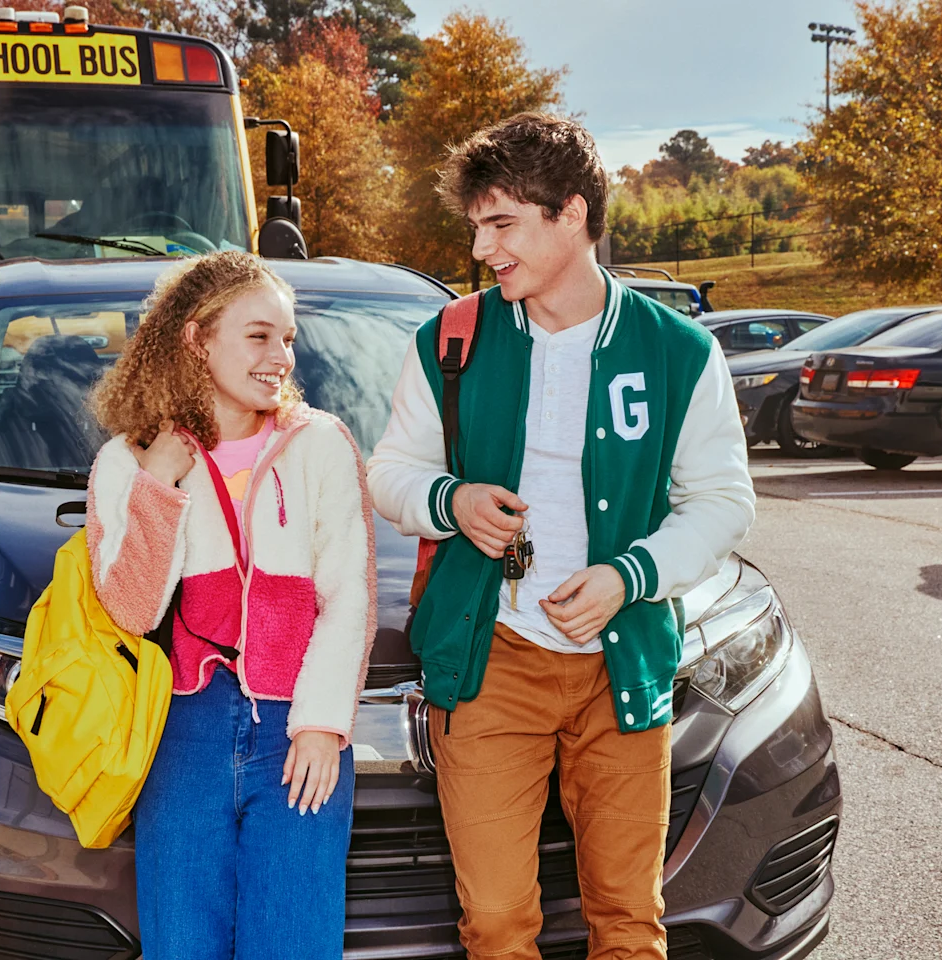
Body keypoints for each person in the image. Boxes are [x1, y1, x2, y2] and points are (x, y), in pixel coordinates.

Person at [366, 114, 755, 960]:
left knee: (627, 919)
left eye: (501, 224)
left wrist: (630, 575)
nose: (482, 248)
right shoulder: (447, 340)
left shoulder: (679, 352)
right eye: (476, 226)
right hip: (489, 660)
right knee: (498, 923)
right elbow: (389, 469)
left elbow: (723, 503)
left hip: (623, 664)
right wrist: (451, 500)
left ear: (571, 214)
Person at [85, 251, 376, 960]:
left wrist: (319, 727)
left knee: (297, 947)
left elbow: (350, 600)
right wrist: (158, 485)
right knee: (182, 947)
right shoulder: (126, 463)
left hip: (297, 732)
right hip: (182, 733)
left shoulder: (321, 445)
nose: (281, 356)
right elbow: (130, 609)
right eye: (259, 336)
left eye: (288, 338)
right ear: (196, 339)